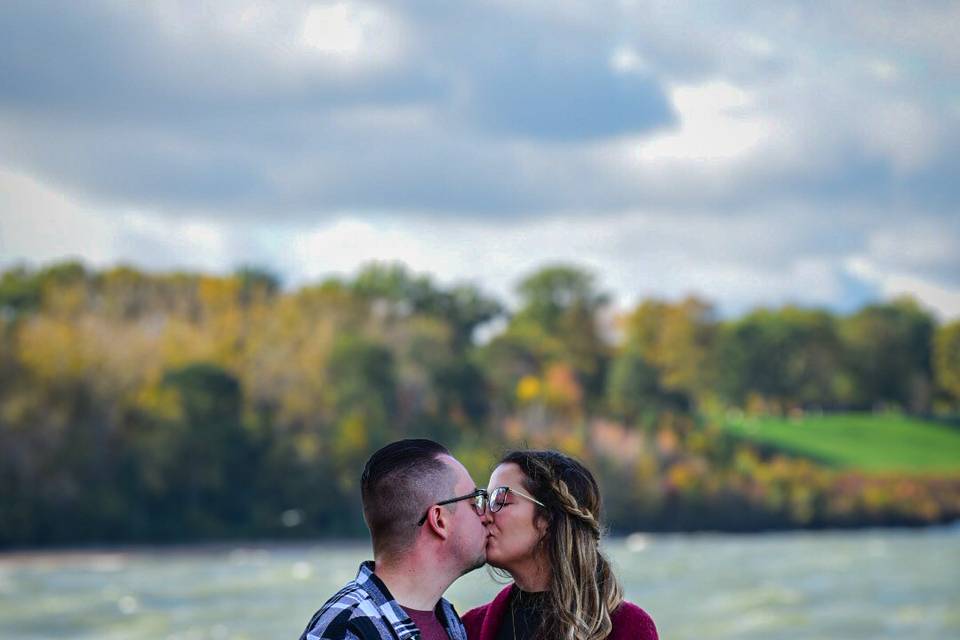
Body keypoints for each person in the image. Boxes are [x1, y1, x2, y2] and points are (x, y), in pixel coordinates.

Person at [299, 439, 490, 640]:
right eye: (473, 501)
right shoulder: (349, 630)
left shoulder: (447, 619)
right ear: (439, 520)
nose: (485, 515)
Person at [463, 450, 658, 640]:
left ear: (548, 518)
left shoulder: (629, 627)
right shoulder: (469, 628)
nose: (484, 516)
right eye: (486, 500)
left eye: (500, 499)